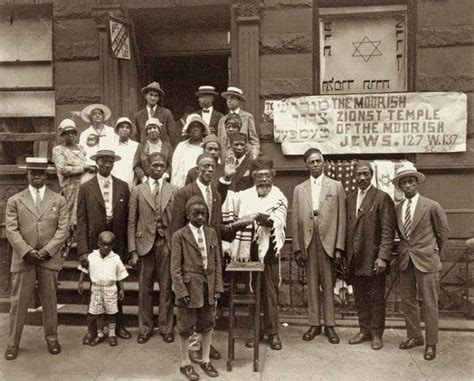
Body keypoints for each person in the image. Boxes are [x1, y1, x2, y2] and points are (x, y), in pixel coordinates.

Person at [4, 157, 68, 360]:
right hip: (25, 259)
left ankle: (52, 338)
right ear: (27, 175)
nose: (37, 176)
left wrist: (48, 251)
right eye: (33, 172)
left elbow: (63, 229)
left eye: (41, 173)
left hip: (48, 258)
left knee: (50, 300)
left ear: (46, 176)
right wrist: (27, 251)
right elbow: (11, 230)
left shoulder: (58, 199)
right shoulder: (15, 200)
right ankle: (13, 343)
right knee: (19, 302)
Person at [171, 153, 232, 363]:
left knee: (207, 305)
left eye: (212, 167)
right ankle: (193, 348)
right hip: (190, 258)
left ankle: (202, 344)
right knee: (193, 305)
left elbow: (213, 224)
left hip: (209, 254)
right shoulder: (185, 192)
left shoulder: (214, 193)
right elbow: (177, 227)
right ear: (197, 169)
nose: (209, 170)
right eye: (205, 166)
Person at [223, 156, 288, 351]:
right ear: (253, 177)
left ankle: (273, 332)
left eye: (267, 176)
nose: (263, 180)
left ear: (272, 176)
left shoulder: (278, 195)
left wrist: (256, 217)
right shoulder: (244, 195)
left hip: (268, 250)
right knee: (252, 293)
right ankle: (255, 331)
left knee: (270, 293)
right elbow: (226, 203)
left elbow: (277, 219)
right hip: (247, 251)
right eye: (259, 176)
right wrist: (226, 179)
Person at [393, 165, 449, 361]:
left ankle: (431, 343)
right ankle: (414, 336)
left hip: (427, 261)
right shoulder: (398, 208)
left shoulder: (432, 206)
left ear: (417, 183)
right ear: (400, 186)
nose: (408, 185)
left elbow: (442, 233)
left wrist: (434, 253)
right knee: (408, 301)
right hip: (405, 261)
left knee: (429, 303)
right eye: (404, 182)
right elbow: (401, 235)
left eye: (411, 181)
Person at [76, 149, 132, 343]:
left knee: (116, 285)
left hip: (116, 244)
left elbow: (127, 220)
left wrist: (127, 248)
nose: (107, 165)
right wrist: (82, 249)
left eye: (110, 161)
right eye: (103, 161)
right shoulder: (86, 187)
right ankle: (92, 329)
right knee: (95, 288)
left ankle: (118, 326)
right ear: (97, 162)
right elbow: (81, 220)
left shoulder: (123, 187)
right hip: (94, 244)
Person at [292, 148, 346, 344]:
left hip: (328, 240)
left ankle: (330, 325)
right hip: (308, 239)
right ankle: (314, 324)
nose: (315, 164)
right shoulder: (300, 189)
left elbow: (341, 217)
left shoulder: (335, 186)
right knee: (312, 284)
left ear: (323, 163)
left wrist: (339, 246)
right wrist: (297, 247)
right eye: (311, 162)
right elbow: (295, 219)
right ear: (306, 165)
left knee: (328, 283)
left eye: (318, 161)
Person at [345, 161, 396, 350]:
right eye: (358, 174)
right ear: (354, 176)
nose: (362, 178)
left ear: (372, 175)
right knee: (360, 298)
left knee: (376, 298)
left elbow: (387, 231)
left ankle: (376, 334)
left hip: (373, 259)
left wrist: (383, 257)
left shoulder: (382, 198)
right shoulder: (350, 199)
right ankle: (364, 330)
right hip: (355, 259)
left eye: (366, 174)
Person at [171, 196, 223, 380]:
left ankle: (205, 359)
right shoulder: (179, 236)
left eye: (203, 214)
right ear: (187, 215)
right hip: (189, 287)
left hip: (208, 287)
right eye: (196, 214)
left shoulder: (211, 233)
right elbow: (175, 267)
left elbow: (216, 262)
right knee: (185, 327)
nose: (200, 217)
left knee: (207, 325)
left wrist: (217, 287)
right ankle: (185, 363)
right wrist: (181, 291)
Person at [128, 152, 178, 344]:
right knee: (145, 289)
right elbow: (132, 222)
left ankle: (166, 327)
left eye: (161, 166)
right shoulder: (138, 190)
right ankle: (145, 328)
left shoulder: (173, 189)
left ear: (165, 168)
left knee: (166, 288)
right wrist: (133, 250)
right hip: (144, 245)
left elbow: (177, 221)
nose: (158, 169)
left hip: (166, 244)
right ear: (148, 167)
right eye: (155, 165)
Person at [77, 231, 128, 347]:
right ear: (98, 243)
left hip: (110, 289)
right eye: (103, 244)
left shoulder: (115, 258)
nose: (106, 247)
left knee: (111, 312)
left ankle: (112, 334)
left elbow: (120, 275)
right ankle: (99, 334)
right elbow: (84, 270)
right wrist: (80, 282)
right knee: (98, 312)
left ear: (113, 245)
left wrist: (121, 289)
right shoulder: (91, 257)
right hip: (96, 289)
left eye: (109, 245)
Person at [52, 119, 90, 246]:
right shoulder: (59, 150)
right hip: (70, 187)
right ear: (62, 135)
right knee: (69, 214)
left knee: (83, 213)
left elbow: (87, 163)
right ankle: (66, 243)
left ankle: (81, 242)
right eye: (67, 133)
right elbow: (63, 169)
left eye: (72, 133)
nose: (70, 135)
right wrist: (83, 168)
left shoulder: (81, 148)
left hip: (84, 185)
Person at [217, 86, 259, 160]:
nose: (229, 101)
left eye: (232, 98)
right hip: (226, 157)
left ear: (239, 100)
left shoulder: (247, 117)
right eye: (227, 98)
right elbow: (220, 140)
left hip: (243, 156)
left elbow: (254, 140)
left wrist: (253, 156)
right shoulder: (222, 120)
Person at [171, 114, 209, 188]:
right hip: (182, 184)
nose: (195, 129)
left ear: (202, 129)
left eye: (198, 127)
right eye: (192, 127)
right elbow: (175, 168)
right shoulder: (181, 146)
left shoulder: (206, 146)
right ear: (188, 130)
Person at [133, 118, 173, 184]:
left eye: (155, 128)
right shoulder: (141, 146)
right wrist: (143, 177)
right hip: (145, 182)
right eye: (149, 128)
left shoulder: (167, 146)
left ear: (159, 130)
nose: (152, 130)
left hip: (164, 181)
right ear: (147, 132)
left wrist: (165, 175)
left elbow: (171, 164)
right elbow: (136, 165)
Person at [112, 117, 139, 188]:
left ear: (130, 131)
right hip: (113, 181)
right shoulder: (111, 145)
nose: (124, 129)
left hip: (129, 181)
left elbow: (137, 165)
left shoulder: (136, 146)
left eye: (127, 127)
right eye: (122, 127)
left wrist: (134, 183)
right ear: (117, 130)